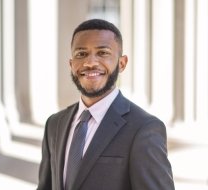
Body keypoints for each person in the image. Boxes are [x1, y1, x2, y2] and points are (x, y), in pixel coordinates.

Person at [37, 19, 175, 190]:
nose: (90, 63)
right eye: (81, 54)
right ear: (72, 65)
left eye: (102, 53)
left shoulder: (144, 129)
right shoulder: (54, 124)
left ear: (122, 63)